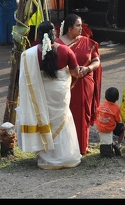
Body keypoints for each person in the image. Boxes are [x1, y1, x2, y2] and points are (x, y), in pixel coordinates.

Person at [16, 21, 82, 169]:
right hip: (59, 93)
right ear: (55, 33)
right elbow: (75, 72)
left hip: (40, 93)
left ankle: (47, 157)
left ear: (39, 35)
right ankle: (66, 156)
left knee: (44, 120)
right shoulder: (65, 51)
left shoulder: (29, 54)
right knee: (63, 121)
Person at [56, 14, 102, 155]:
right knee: (65, 114)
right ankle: (66, 147)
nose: (81, 28)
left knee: (83, 115)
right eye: (78, 25)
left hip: (85, 83)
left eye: (81, 25)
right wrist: (72, 71)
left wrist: (88, 68)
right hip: (66, 84)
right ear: (69, 28)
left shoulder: (87, 42)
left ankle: (82, 147)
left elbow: (96, 61)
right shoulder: (57, 44)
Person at [96, 87, 125, 157]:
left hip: (100, 127)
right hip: (109, 128)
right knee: (124, 127)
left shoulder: (102, 105)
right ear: (117, 98)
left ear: (105, 96)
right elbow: (119, 121)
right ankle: (118, 144)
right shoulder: (116, 108)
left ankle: (112, 143)